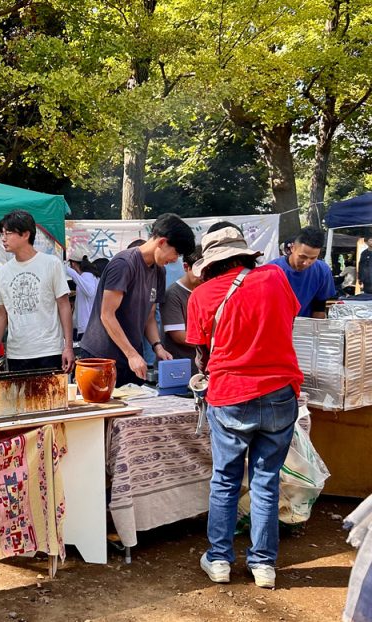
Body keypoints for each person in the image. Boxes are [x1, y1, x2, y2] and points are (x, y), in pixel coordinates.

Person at [186, 226, 302, 590]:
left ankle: (219, 560)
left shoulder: (201, 295)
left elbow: (201, 353)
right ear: (244, 253)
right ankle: (263, 566)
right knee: (266, 481)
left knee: (225, 479)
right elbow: (287, 321)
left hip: (231, 394)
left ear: (210, 263)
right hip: (280, 391)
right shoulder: (275, 277)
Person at [80, 213, 195, 386]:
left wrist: (158, 346)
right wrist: (131, 354)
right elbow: (107, 315)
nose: (174, 260)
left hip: (131, 357)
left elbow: (149, 317)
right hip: (102, 357)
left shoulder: (159, 272)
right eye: (176, 253)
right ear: (162, 242)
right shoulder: (124, 264)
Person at [0, 210, 74, 374]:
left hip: (49, 350)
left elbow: (64, 305)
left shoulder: (51, 263)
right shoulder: (3, 272)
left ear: (26, 234)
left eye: (8, 233)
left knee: (52, 400)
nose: (3, 238)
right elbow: (0, 313)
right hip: (17, 353)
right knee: (20, 400)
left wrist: (68, 346)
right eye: (2, 234)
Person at [270, 226, 336, 318]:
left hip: (306, 326)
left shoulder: (322, 271)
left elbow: (319, 308)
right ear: (292, 248)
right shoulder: (272, 270)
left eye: (313, 258)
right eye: (302, 256)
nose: (306, 263)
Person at [160, 246, 203, 375]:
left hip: (204, 366)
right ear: (186, 267)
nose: (203, 276)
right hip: (181, 369)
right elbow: (179, 336)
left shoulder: (207, 290)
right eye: (198, 271)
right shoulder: (173, 294)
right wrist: (213, 343)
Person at [66, 249, 99, 341]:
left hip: (88, 327)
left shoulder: (86, 275)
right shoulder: (90, 276)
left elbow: (90, 291)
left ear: (73, 264)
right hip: (89, 326)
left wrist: (72, 273)